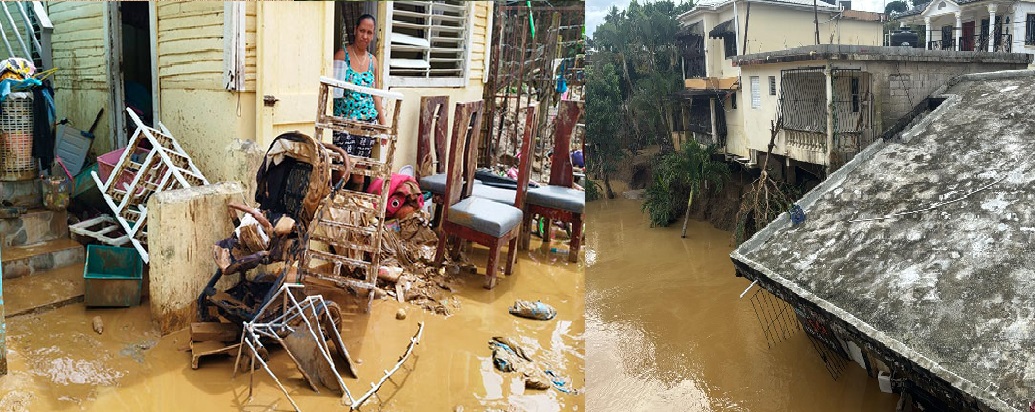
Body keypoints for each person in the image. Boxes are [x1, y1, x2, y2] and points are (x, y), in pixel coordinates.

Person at [333, 14, 386, 189]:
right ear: (355, 30)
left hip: (367, 124)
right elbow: (333, 90)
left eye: (369, 32)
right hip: (344, 121)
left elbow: (376, 94)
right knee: (342, 171)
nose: (365, 36)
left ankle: (355, 214)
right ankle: (337, 211)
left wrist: (383, 125)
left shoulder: (373, 62)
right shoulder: (342, 56)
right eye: (362, 31)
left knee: (360, 176)